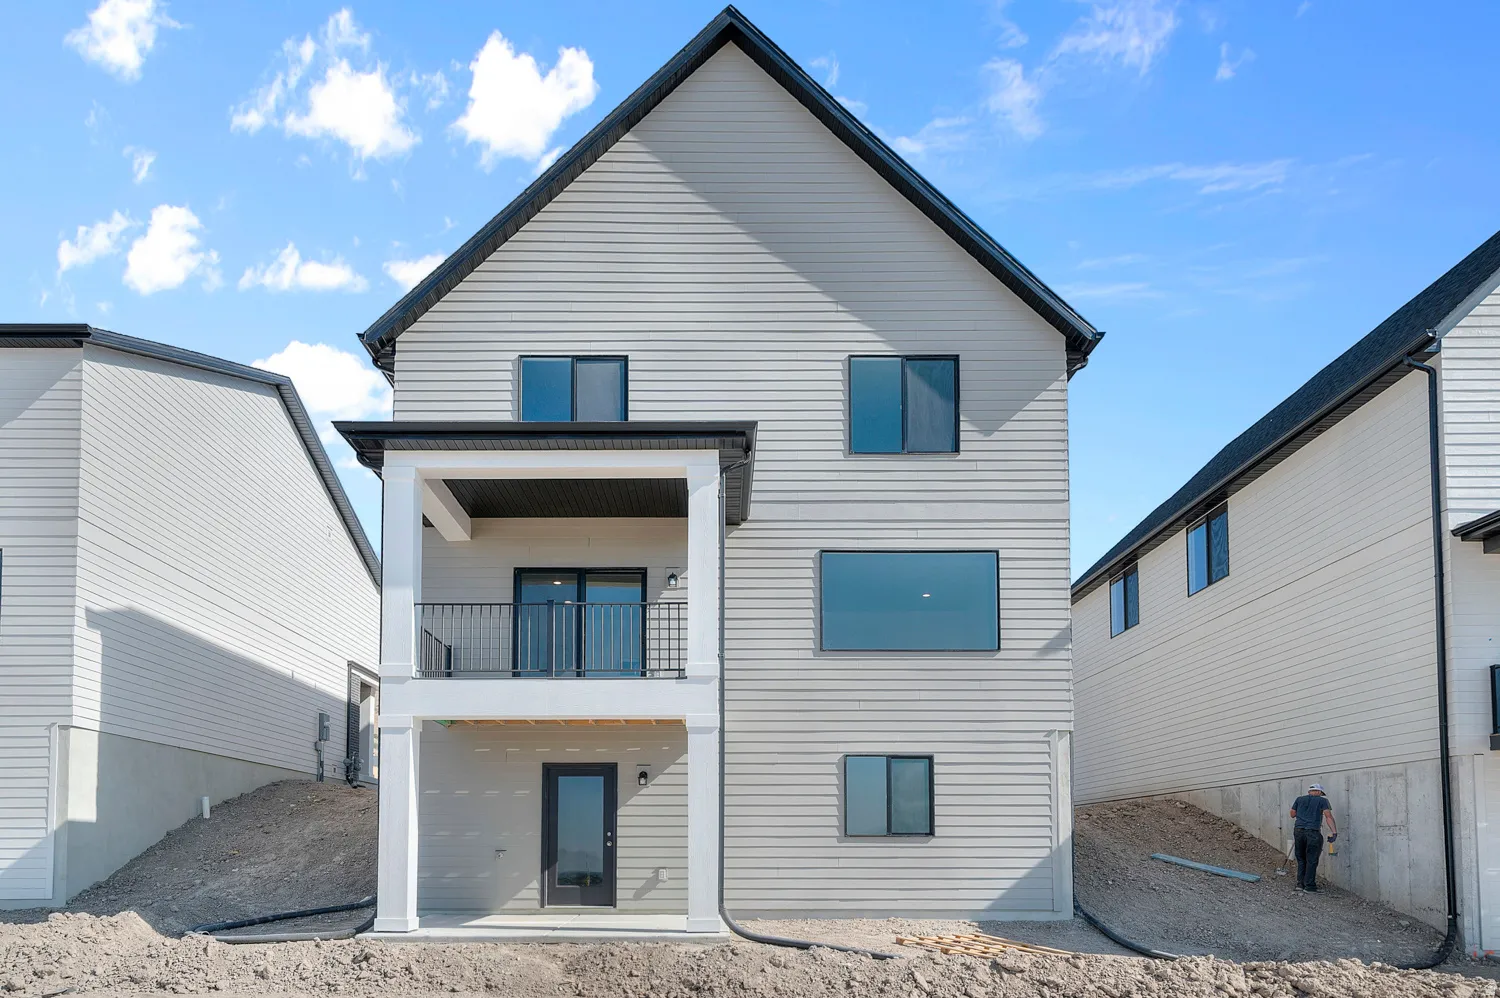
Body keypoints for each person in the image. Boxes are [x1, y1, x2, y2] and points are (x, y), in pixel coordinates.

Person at [1289, 783, 1337, 893]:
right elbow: (1328, 817)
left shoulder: (1299, 799)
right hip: (1313, 832)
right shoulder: (1322, 801)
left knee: (1301, 858)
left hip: (1298, 831)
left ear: (1309, 791)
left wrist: (1303, 812)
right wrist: (1334, 832)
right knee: (1312, 859)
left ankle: (1300, 884)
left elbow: (1292, 814)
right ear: (1319, 792)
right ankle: (1309, 886)